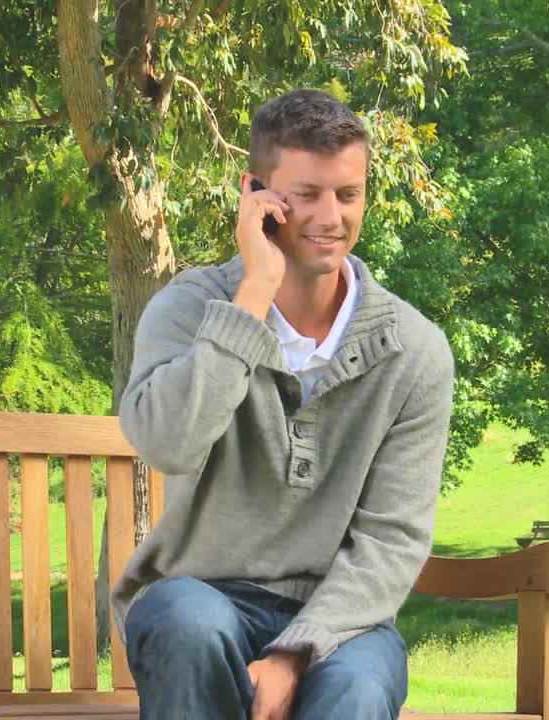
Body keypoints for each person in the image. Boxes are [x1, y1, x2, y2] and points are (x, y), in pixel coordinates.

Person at [110, 88, 456, 720]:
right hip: (202, 597)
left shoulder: (415, 352)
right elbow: (166, 445)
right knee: (187, 624)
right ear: (257, 194)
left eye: (348, 194)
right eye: (306, 194)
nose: (330, 216)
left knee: (359, 688)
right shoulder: (187, 309)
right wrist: (254, 292)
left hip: (343, 619)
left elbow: (392, 539)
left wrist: (294, 653)